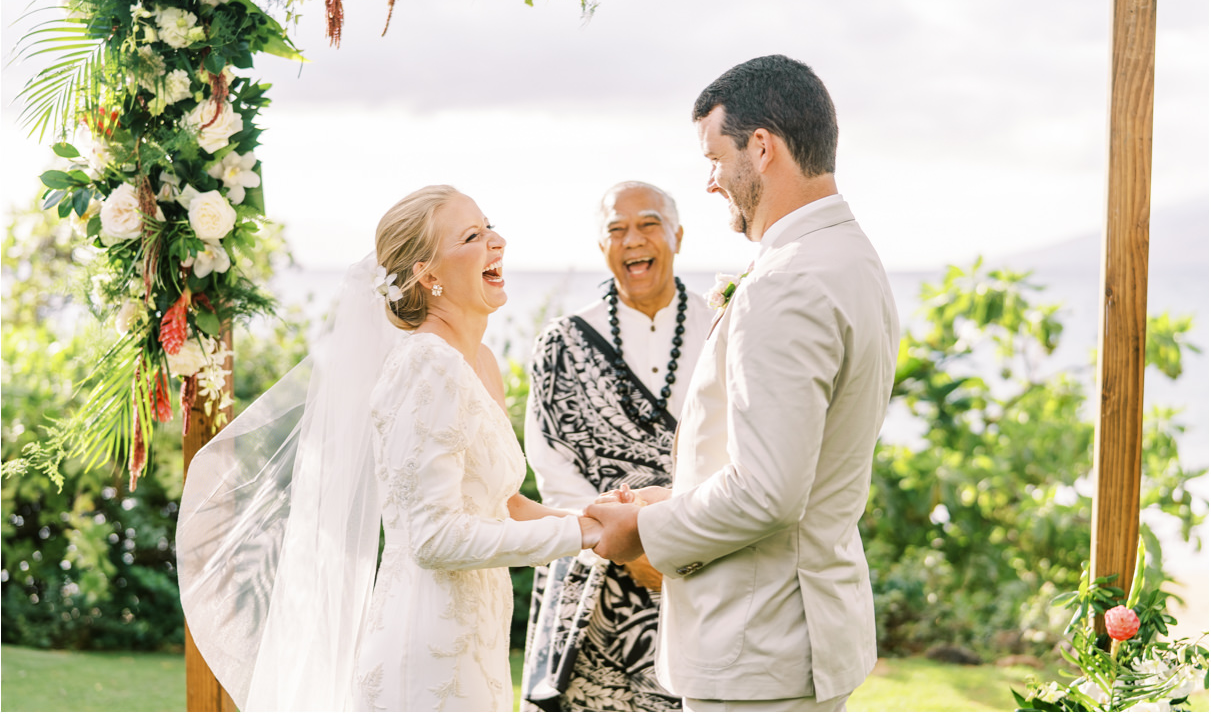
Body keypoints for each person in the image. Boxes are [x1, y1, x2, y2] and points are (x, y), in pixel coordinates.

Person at [176, 185, 602, 712]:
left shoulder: (481, 363)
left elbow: (504, 507)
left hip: (479, 640)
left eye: (490, 226)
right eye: (473, 236)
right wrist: (583, 534)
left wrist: (601, 520)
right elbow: (433, 537)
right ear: (429, 275)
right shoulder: (423, 366)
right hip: (428, 646)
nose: (498, 241)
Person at [586, 55, 900, 712]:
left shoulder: (785, 284)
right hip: (799, 630)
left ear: (760, 148)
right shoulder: (851, 258)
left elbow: (766, 494)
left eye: (713, 157)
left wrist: (644, 533)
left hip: (758, 646)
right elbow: (790, 465)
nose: (708, 182)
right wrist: (673, 495)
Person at [520, 182, 711, 712]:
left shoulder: (722, 329)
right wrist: (630, 547)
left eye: (648, 224)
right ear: (600, 245)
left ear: (677, 234)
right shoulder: (561, 341)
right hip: (591, 571)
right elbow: (552, 465)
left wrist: (671, 539)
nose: (633, 240)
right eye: (615, 229)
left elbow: (736, 448)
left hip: (701, 557)